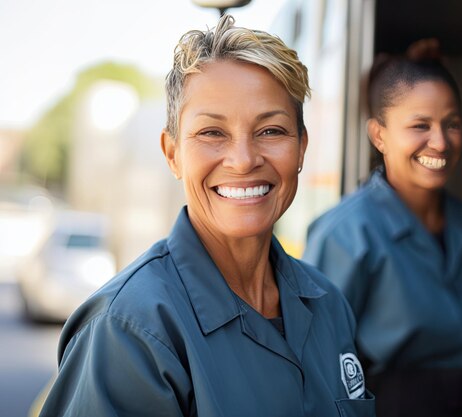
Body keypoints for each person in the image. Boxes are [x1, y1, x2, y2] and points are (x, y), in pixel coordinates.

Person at [40, 15, 375, 417]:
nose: (243, 160)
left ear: (301, 148)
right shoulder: (128, 329)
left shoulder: (329, 306)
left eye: (270, 131)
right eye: (212, 133)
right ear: (172, 153)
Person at [302, 40, 462, 417]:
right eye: (420, 125)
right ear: (379, 135)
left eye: (452, 124)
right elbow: (315, 365)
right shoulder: (344, 235)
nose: (440, 141)